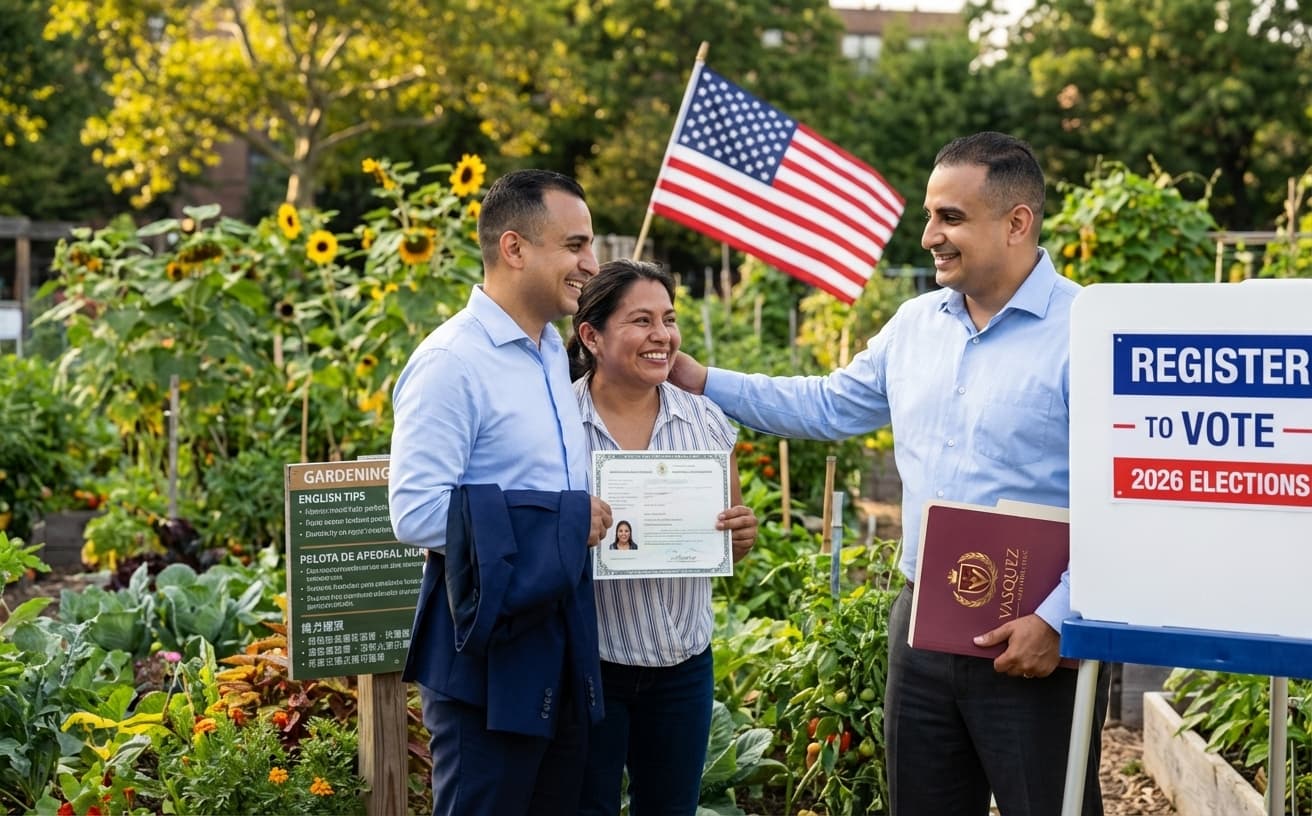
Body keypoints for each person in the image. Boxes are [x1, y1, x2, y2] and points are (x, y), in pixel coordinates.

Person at [668, 132, 1110, 816]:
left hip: (1037, 635)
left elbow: (1122, 495)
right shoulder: (914, 325)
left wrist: (1059, 618)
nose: (930, 236)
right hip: (922, 625)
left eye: (950, 218)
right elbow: (827, 404)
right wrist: (701, 379)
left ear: (1017, 222)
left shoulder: (1089, 331)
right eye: (930, 216)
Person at [389, 169, 613, 816]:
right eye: (575, 245)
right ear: (514, 248)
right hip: (487, 646)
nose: (591, 264)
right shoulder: (450, 362)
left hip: (560, 633)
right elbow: (416, 511)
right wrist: (563, 521)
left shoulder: (550, 351)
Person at [566, 259, 759, 816]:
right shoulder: (558, 424)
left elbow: (728, 537)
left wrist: (739, 536)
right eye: (642, 320)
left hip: (683, 666)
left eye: (669, 320)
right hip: (593, 663)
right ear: (592, 336)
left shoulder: (705, 420)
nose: (662, 336)